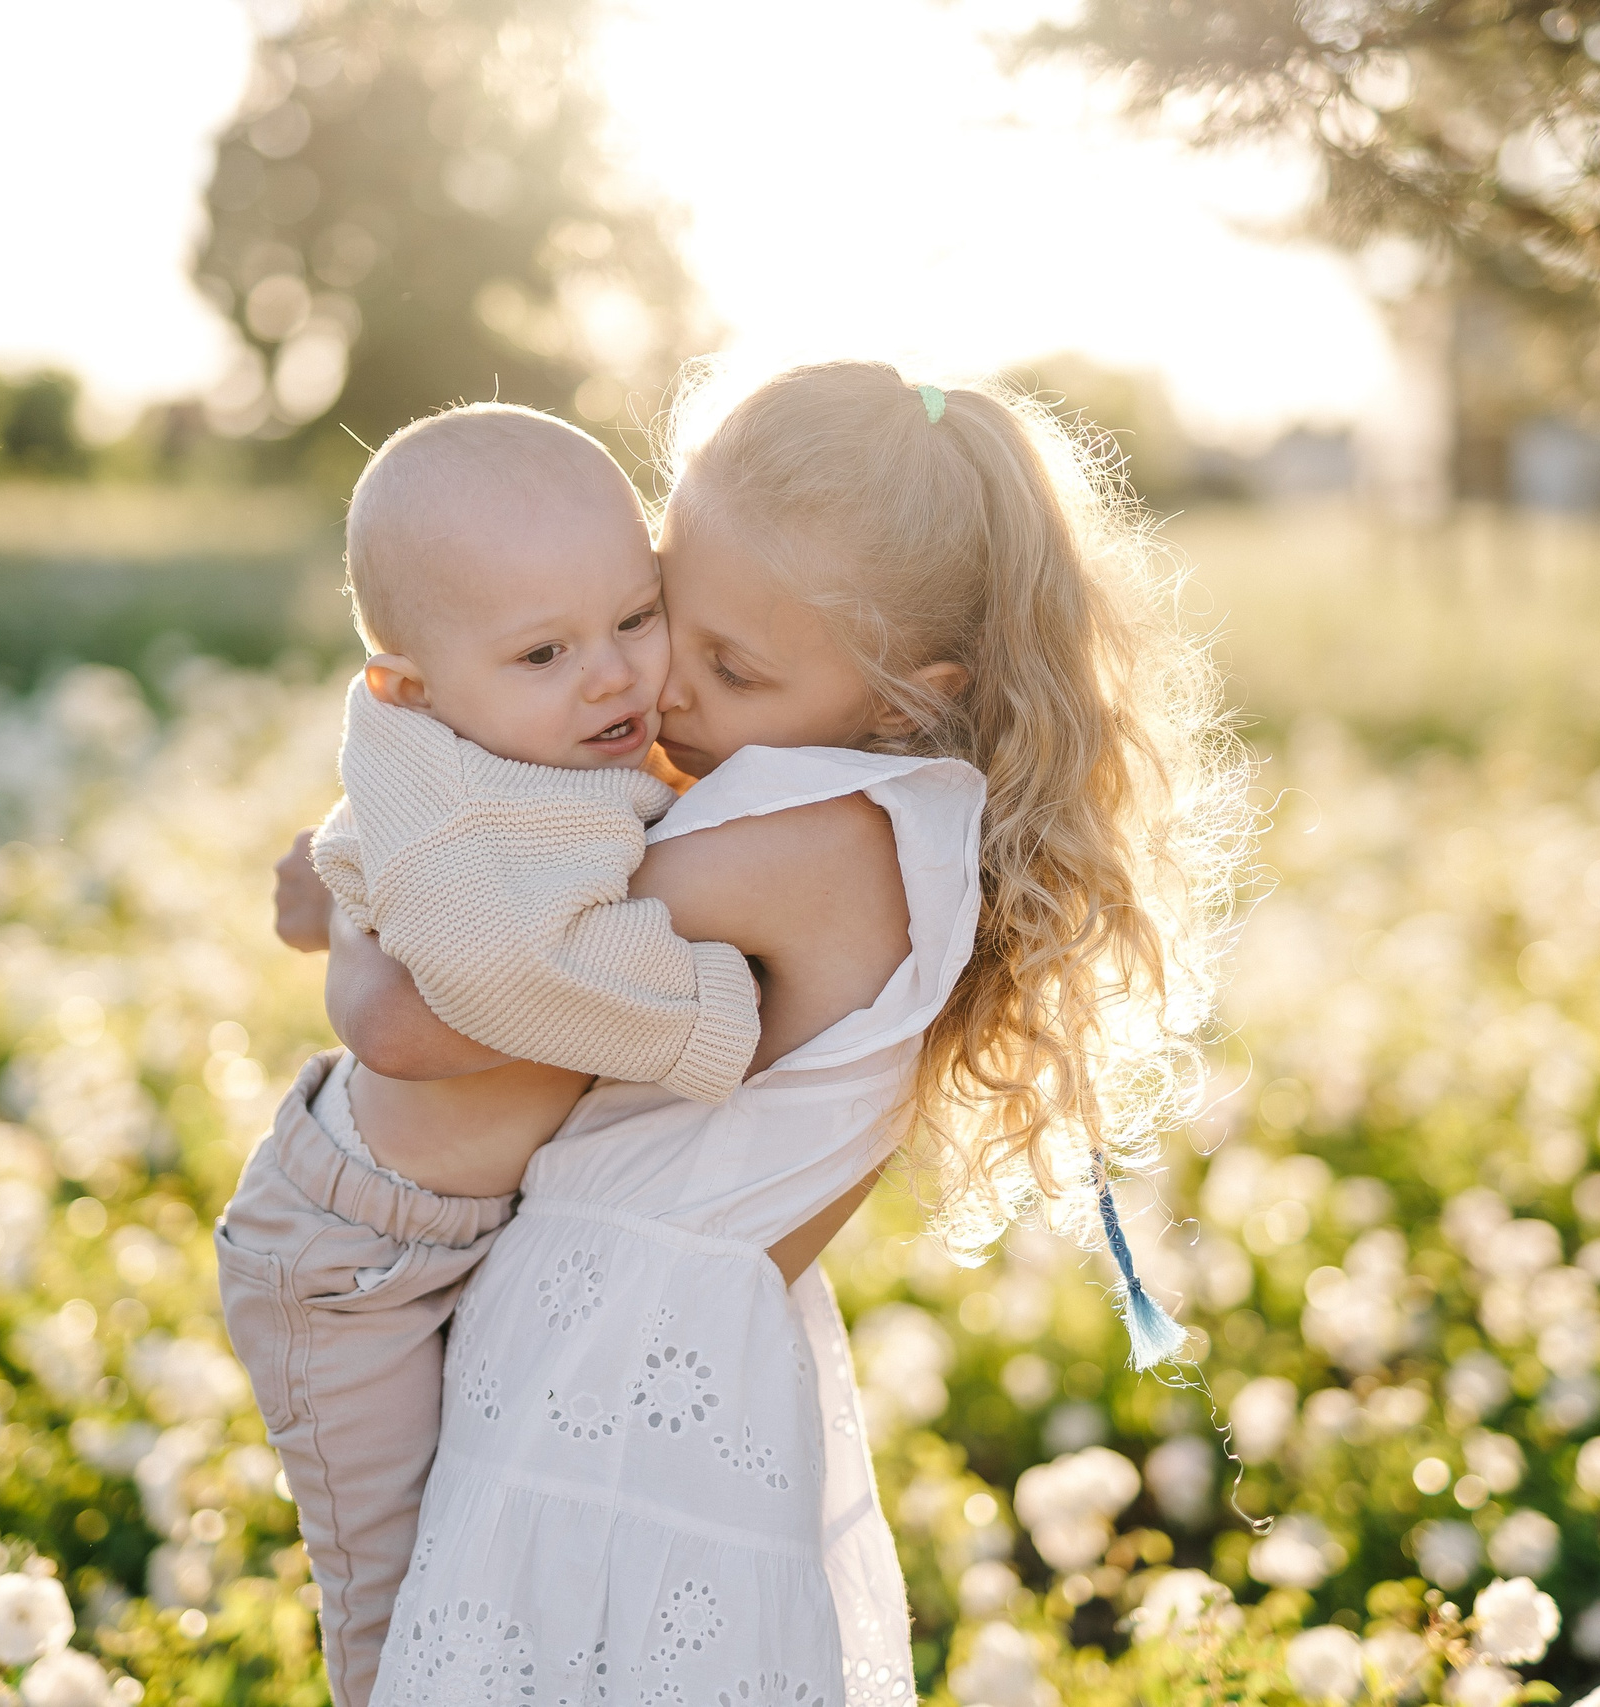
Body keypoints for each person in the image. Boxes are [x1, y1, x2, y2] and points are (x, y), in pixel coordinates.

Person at [305, 361, 1243, 1704]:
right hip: (668, 1348)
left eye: (730, 666)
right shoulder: (900, 814)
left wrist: (338, 885)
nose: (663, 686)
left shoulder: (796, 842)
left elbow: (431, 996)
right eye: (662, 610)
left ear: (909, 694)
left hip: (613, 1369)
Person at [218, 402, 765, 1707]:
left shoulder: (547, 742)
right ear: (411, 688)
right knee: (399, 1600)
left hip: (464, 1235)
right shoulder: (463, 825)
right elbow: (508, 986)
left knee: (502, 1569)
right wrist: (719, 1006)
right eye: (542, 651)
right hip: (350, 1263)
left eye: (635, 617)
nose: (613, 677)